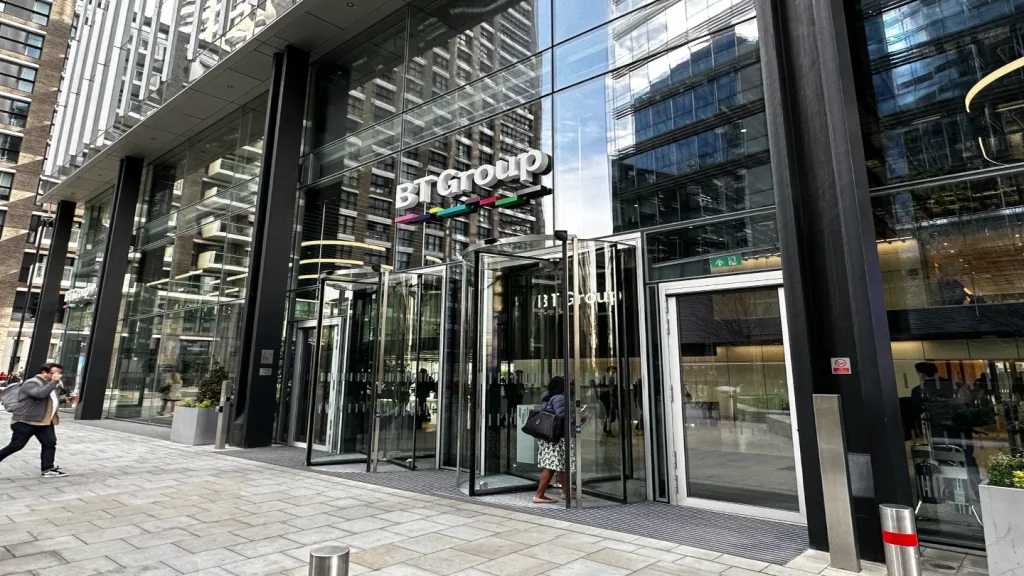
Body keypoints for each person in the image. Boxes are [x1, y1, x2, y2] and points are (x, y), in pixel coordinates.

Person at [0, 363, 67, 477]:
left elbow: (51, 401)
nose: (58, 376)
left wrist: (64, 397)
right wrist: (54, 382)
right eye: (55, 373)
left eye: (60, 373)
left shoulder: (51, 384)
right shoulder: (32, 382)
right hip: (26, 421)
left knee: (50, 443)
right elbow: (40, 394)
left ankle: (48, 469)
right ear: (44, 372)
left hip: (44, 421)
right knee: (16, 445)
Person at [534, 376, 584, 504]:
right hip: (558, 437)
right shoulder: (559, 398)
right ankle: (539, 495)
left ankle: (566, 492)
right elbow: (562, 416)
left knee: (561, 465)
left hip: (549, 436)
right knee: (551, 467)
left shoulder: (547, 397)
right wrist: (578, 418)